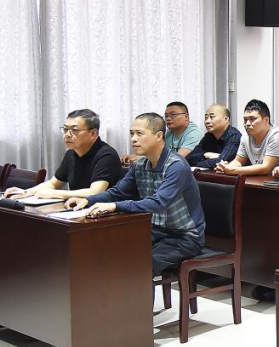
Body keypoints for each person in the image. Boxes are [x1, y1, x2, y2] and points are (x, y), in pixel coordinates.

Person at [66, 113, 205, 276]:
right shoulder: (140, 165)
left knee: (141, 265)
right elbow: (118, 192)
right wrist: (87, 200)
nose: (133, 139)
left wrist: (114, 206)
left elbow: (158, 203)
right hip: (154, 231)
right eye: (132, 133)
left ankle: (138, 294)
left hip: (185, 236)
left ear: (158, 136)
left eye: (140, 133)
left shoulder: (176, 166)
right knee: (109, 252)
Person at [4, 109, 121, 201]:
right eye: (65, 129)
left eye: (74, 130)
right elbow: (53, 183)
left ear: (93, 133)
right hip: (78, 207)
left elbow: (95, 192)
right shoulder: (71, 153)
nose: (67, 135)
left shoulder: (106, 155)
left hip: (107, 214)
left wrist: (55, 194)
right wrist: (25, 192)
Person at [217, 99, 279, 175]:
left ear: (266, 120)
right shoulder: (245, 136)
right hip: (261, 179)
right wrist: (225, 168)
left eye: (252, 119)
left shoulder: (276, 135)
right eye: (245, 120)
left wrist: (233, 170)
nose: (247, 124)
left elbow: (266, 168)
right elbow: (239, 161)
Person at [186, 104, 241, 169]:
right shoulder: (208, 136)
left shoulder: (234, 136)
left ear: (226, 119)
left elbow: (220, 162)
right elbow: (188, 159)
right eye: (206, 118)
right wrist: (205, 155)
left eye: (212, 117)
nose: (207, 121)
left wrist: (197, 163)